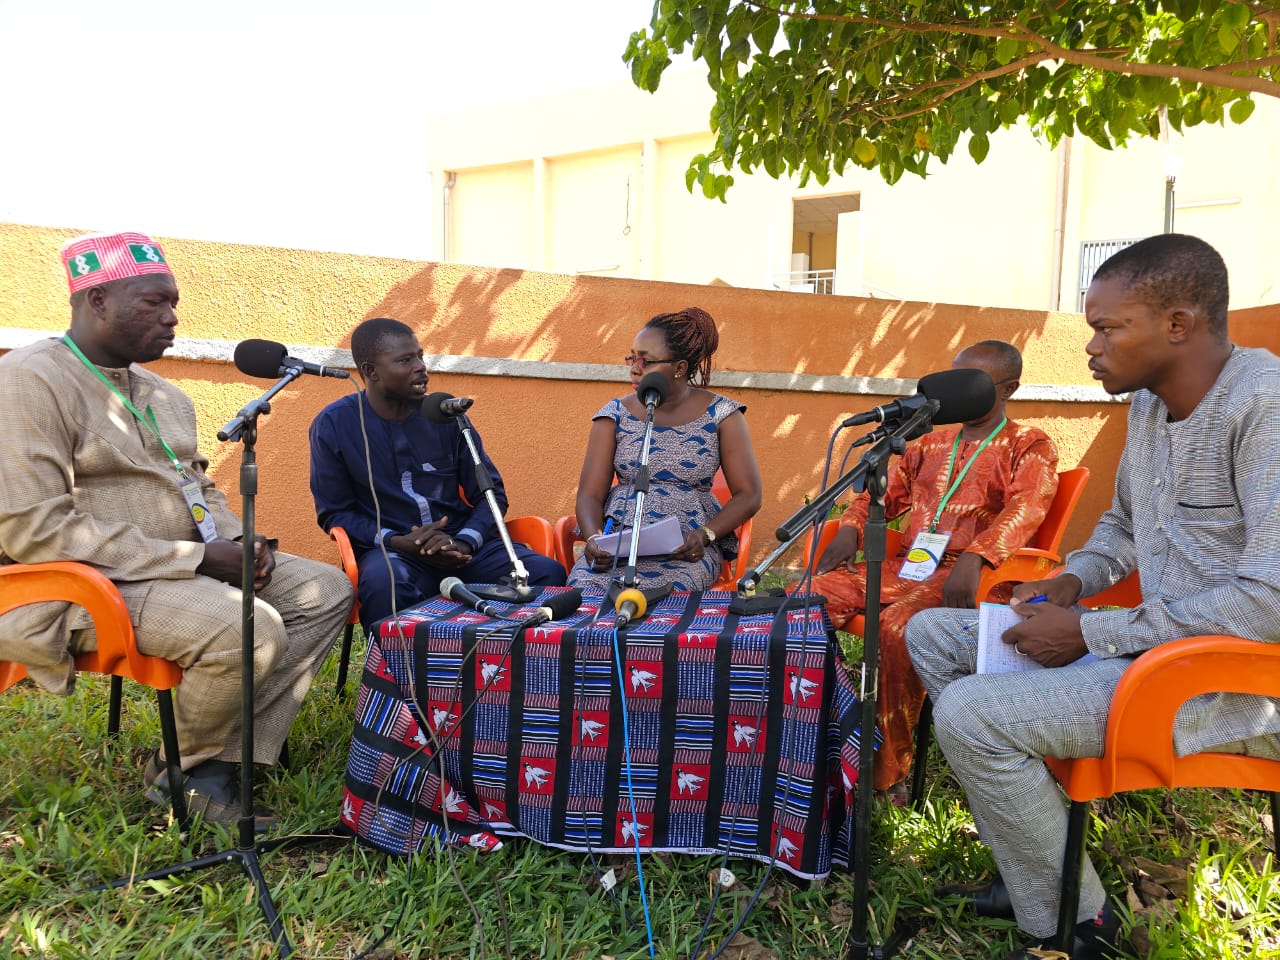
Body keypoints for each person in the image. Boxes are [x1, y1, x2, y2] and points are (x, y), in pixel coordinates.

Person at [906, 234, 1280, 960]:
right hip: (1154, 647)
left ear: (1179, 324)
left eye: (1108, 328)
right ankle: (1041, 872)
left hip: (1231, 680)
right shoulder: (1146, 406)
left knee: (970, 715)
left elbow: (1269, 599)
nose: (1091, 348)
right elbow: (1123, 526)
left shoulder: (1264, 408)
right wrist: (1071, 582)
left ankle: (1080, 930)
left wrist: (1090, 633)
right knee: (936, 635)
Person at [0, 231, 354, 826]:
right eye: (153, 302)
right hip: (74, 583)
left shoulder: (164, 394)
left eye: (174, 303)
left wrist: (238, 541)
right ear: (97, 300)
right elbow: (32, 528)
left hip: (180, 565)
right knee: (248, 624)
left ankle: (206, 757)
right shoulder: (30, 381)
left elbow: (199, 485)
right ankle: (187, 778)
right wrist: (194, 561)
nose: (172, 318)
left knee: (325, 592)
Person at [808, 340, 1059, 794]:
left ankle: (884, 772)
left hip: (976, 576)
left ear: (1007, 389)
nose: (956, 391)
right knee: (805, 601)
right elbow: (877, 495)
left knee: (899, 626)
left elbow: (1028, 508)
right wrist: (851, 527)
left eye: (971, 382)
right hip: (908, 567)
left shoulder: (1028, 443)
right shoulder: (930, 441)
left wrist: (976, 556)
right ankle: (828, 728)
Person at [309, 317, 566, 636]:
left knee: (545, 573)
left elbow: (491, 495)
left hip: (464, 546)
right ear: (371, 371)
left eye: (420, 356)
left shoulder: (447, 414)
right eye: (406, 360)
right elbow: (335, 512)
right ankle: (403, 683)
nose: (421, 367)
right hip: (394, 552)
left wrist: (464, 540)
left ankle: (504, 673)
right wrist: (397, 540)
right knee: (383, 584)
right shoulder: (334, 425)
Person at [568, 307, 762, 593]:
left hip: (686, 550)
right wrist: (594, 538)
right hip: (616, 549)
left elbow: (749, 495)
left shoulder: (723, 414)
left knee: (666, 604)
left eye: (646, 361)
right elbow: (590, 494)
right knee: (583, 597)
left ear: (680, 368)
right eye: (632, 357)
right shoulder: (614, 414)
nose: (634, 367)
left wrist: (706, 535)